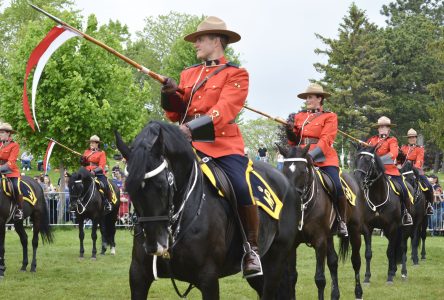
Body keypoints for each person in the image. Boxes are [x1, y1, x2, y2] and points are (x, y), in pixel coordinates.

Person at [160, 16, 261, 277]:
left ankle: (252, 249)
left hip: (222, 145)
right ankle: (153, 239)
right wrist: (170, 93)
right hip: (186, 145)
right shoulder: (188, 73)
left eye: (200, 39)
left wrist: (190, 128)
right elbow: (176, 113)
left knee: (240, 185)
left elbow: (224, 110)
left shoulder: (236, 74)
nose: (195, 44)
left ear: (216, 40)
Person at [286, 83, 349, 237]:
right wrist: (289, 129)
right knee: (287, 182)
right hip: (301, 157)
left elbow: (326, 140)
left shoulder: (330, 116)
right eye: (306, 97)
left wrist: (311, 157)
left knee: (337, 185)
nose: (307, 100)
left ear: (320, 99)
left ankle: (341, 221)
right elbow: (294, 142)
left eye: (310, 97)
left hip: (324, 158)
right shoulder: (299, 116)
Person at [366, 116, 413, 226]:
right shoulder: (372, 140)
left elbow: (393, 154)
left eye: (385, 127)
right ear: (377, 129)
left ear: (388, 129)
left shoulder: (392, 140)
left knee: (403, 188)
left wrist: (377, 160)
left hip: (390, 172)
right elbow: (367, 152)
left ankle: (407, 213)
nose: (382, 129)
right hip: (374, 173)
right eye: (380, 127)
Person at [400, 128, 434, 214]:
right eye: (410, 137)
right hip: (403, 171)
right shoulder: (403, 148)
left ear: (416, 138)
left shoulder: (420, 148)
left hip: (416, 170)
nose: (412, 139)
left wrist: (413, 168)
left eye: (413, 137)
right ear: (408, 139)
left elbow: (419, 160)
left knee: (428, 185)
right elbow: (399, 159)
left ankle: (429, 205)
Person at [80, 135, 112, 213]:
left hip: (98, 173)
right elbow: (84, 164)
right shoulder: (86, 152)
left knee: (104, 185)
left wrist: (94, 172)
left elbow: (101, 166)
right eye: (90, 142)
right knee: (77, 183)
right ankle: (77, 202)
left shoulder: (101, 153)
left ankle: (107, 202)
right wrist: (82, 160)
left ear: (97, 144)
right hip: (86, 172)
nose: (91, 144)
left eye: (93, 143)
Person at [0, 123, 24, 220]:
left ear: (8, 133)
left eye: (2, 132)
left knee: (15, 187)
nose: (0, 134)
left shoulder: (14, 145)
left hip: (11, 171)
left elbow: (11, 162)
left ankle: (20, 209)